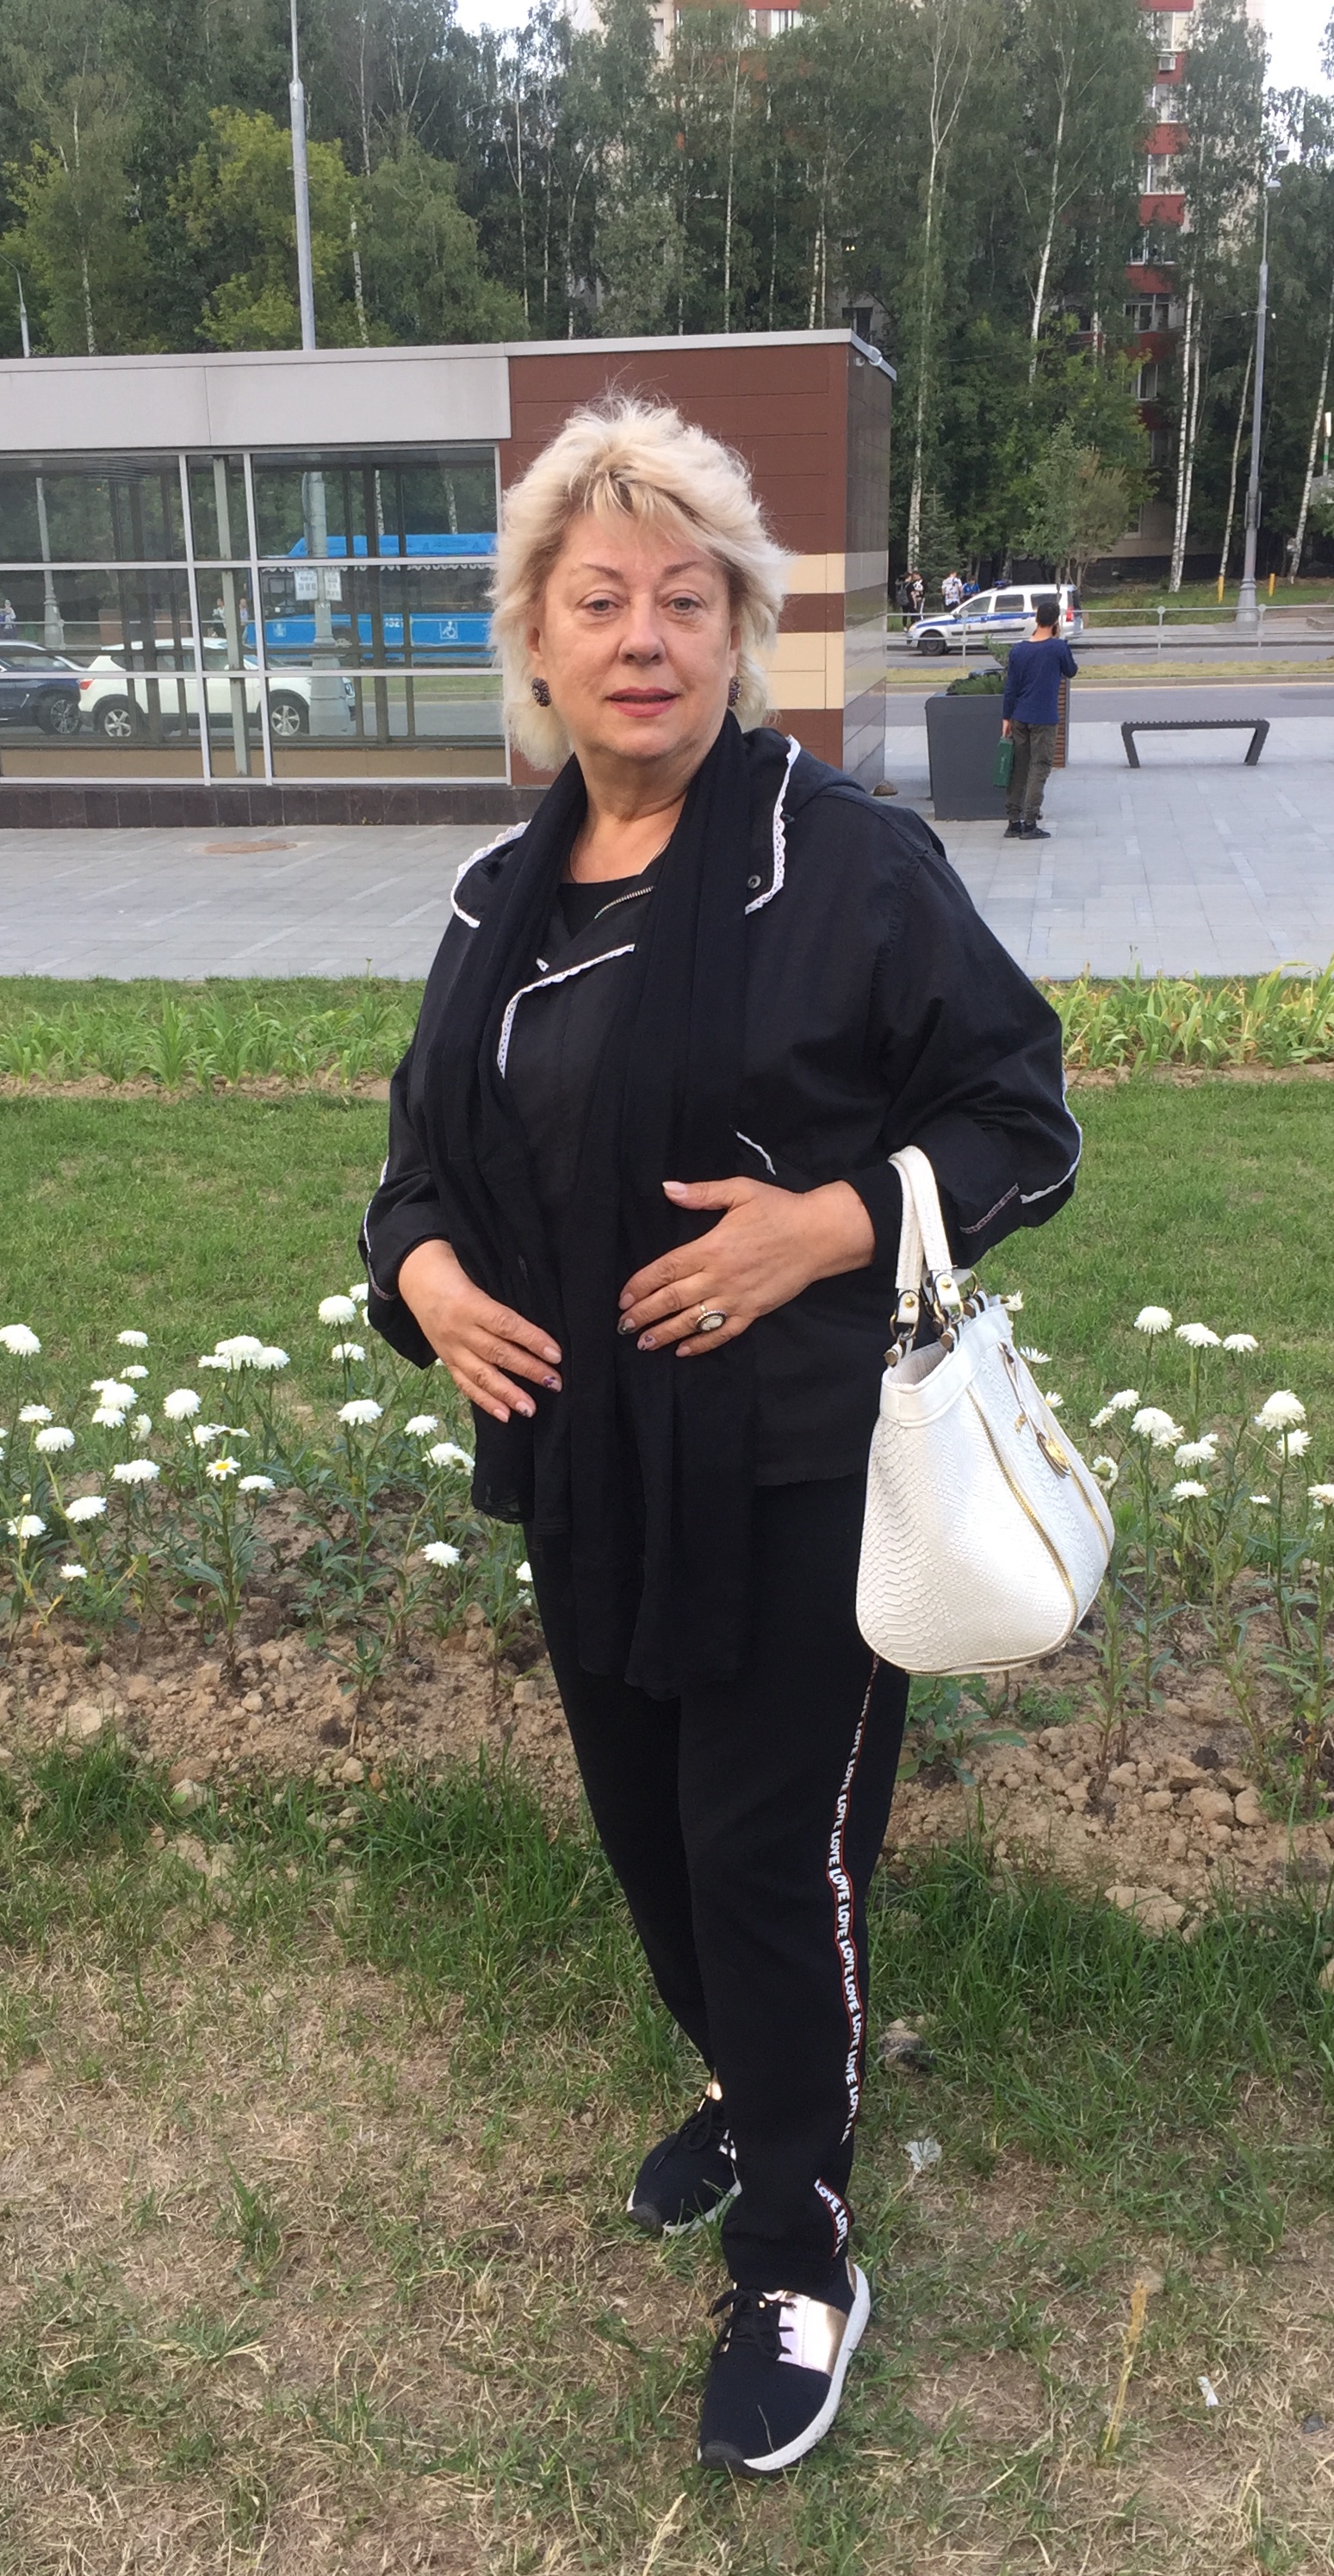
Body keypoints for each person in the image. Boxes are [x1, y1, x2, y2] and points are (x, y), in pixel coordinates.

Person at [360, 400, 1080, 2477]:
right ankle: (759, 2088)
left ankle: (798, 2245)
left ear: (741, 633)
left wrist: (822, 1226)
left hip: (794, 1475)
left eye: (687, 599)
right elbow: (417, 1169)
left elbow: (1024, 1119)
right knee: (659, 1850)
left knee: (767, 1858)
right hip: (587, 1477)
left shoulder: (841, 861)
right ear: (535, 639)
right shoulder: (497, 897)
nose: (644, 637)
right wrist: (424, 1279)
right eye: (600, 600)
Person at [1001, 594, 1078, 840]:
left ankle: (1013, 821)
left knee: (1019, 768)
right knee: (1040, 767)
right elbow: (1071, 671)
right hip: (1044, 717)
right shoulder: (1058, 648)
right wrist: (1058, 638)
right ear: (1055, 622)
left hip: (1019, 716)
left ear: (1036, 619)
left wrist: (1006, 718)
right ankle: (1030, 822)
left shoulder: (1018, 650)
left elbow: (1011, 687)